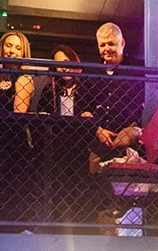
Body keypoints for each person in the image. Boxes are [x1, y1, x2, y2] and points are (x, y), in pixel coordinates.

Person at [83, 23, 145, 170]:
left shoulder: (138, 70)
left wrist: (135, 130)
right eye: (102, 45)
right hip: (99, 143)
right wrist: (98, 130)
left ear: (122, 43)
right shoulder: (91, 72)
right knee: (96, 183)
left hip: (133, 145)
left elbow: (152, 105)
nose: (106, 49)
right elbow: (82, 107)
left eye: (111, 44)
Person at [34, 44, 83, 117]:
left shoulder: (86, 85)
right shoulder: (49, 89)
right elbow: (42, 111)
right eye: (59, 64)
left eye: (66, 61)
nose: (63, 68)